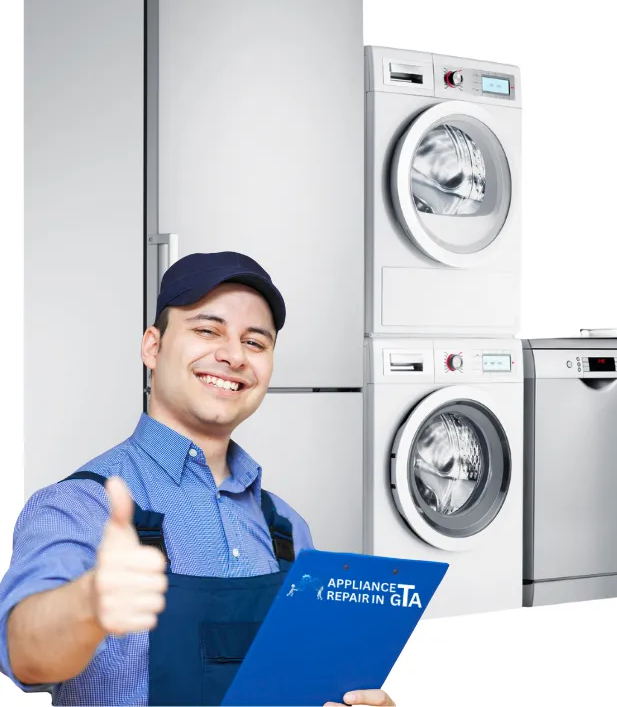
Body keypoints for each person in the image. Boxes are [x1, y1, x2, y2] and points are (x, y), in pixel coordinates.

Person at [0, 251, 395, 707]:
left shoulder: (288, 529)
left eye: (255, 342)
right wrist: (88, 604)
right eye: (208, 330)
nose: (232, 355)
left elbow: (309, 683)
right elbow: (20, 651)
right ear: (153, 346)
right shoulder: (80, 506)